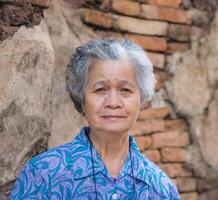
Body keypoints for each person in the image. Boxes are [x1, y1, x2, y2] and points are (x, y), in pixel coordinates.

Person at [9, 38, 180, 199]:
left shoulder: (161, 188)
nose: (113, 102)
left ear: (141, 99)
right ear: (81, 99)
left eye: (125, 90)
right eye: (100, 89)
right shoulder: (43, 173)